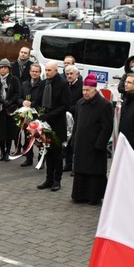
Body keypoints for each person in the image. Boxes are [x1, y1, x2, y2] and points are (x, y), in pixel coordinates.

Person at [70, 74, 113, 204]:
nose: (85, 93)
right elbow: (76, 123)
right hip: (81, 144)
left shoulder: (104, 105)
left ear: (95, 90)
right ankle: (79, 195)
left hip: (95, 145)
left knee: (94, 171)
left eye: (88, 90)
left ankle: (93, 196)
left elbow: (107, 127)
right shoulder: (80, 103)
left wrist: (100, 144)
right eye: (83, 90)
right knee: (80, 170)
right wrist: (74, 139)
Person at [37, 61, 70, 191]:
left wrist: (50, 115)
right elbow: (38, 100)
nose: (47, 72)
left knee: (57, 154)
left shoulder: (62, 84)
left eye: (50, 70)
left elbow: (65, 105)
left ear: (56, 71)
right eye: (46, 70)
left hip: (57, 124)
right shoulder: (44, 83)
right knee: (47, 152)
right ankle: (48, 179)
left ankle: (57, 180)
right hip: (45, 123)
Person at [0, 59, 21, 162]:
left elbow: (17, 93)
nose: (3, 70)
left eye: (5, 68)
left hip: (10, 110)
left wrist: (10, 101)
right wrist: (2, 100)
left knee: (9, 131)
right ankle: (2, 151)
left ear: (9, 69)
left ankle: (8, 151)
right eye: (1, 68)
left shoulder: (14, 79)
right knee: (0, 131)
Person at [18, 62, 44, 167]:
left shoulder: (43, 84)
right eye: (33, 71)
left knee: (40, 139)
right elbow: (18, 97)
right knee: (28, 137)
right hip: (27, 115)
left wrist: (32, 104)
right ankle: (29, 159)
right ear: (29, 72)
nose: (34, 73)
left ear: (40, 73)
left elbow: (42, 100)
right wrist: (22, 102)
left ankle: (41, 160)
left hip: (38, 114)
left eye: (36, 72)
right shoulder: (24, 84)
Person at [63, 65, 83, 172]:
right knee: (67, 140)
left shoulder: (81, 86)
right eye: (67, 74)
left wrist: (71, 109)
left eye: (71, 74)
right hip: (66, 117)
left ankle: (76, 167)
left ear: (77, 74)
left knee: (76, 142)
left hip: (77, 117)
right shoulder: (65, 85)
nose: (69, 76)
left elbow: (82, 101)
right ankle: (68, 164)